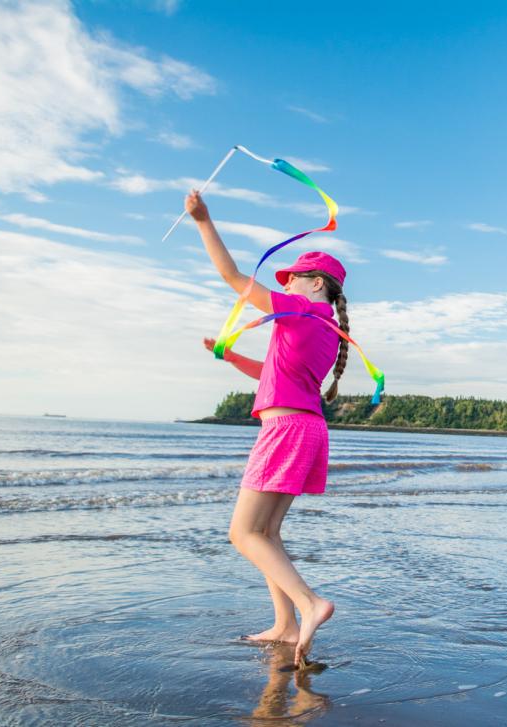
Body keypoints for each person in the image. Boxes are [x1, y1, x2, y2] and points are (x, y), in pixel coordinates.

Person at [185, 189, 348, 668]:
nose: (287, 284)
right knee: (267, 532)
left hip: (286, 432)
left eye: (292, 278)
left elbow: (232, 277)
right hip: (306, 428)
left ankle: (310, 604)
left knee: (243, 533)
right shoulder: (319, 324)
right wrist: (234, 357)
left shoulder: (301, 309)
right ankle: (285, 624)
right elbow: (272, 375)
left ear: (315, 282)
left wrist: (202, 219)